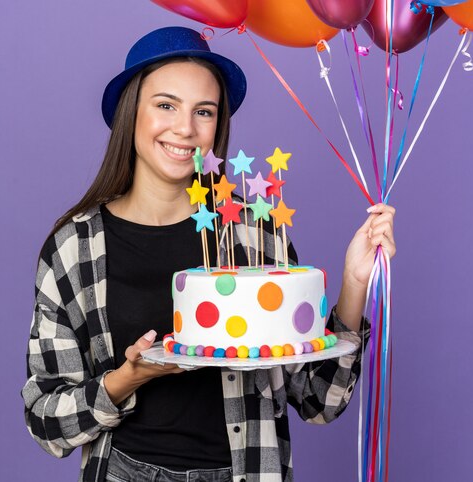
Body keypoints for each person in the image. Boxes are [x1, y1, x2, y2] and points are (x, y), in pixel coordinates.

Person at [21, 26, 396, 482]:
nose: (185, 128)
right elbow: (46, 421)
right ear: (130, 112)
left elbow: (319, 401)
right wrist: (127, 379)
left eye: (204, 111)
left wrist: (355, 283)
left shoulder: (255, 237)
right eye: (165, 105)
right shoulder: (74, 250)